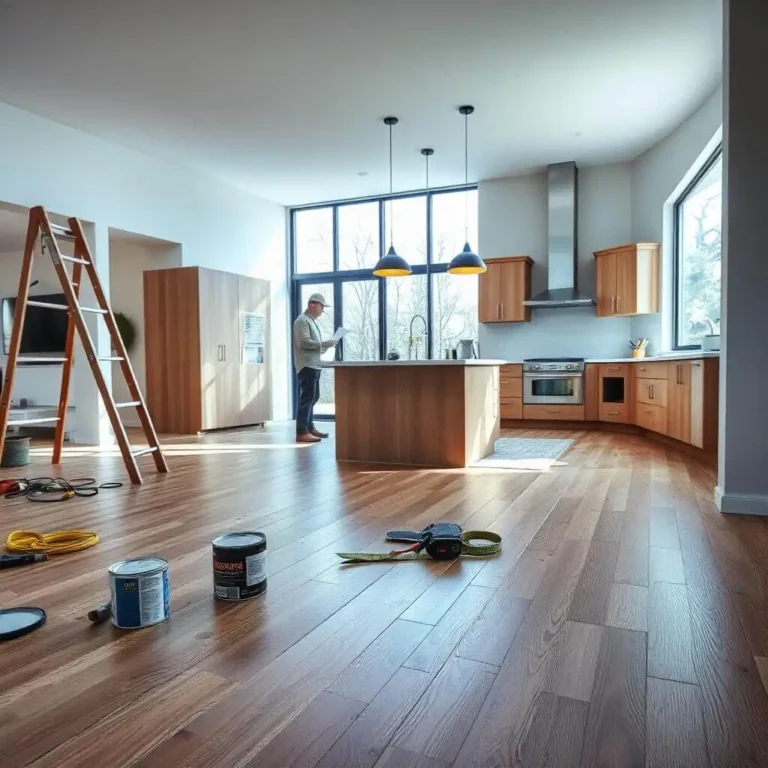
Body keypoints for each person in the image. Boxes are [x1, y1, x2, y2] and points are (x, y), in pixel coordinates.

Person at [293, 294, 338, 443]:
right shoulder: (302, 321)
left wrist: (325, 346)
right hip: (306, 365)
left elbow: (314, 346)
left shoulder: (311, 322)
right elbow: (304, 343)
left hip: (314, 365)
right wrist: (324, 344)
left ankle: (309, 427)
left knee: (313, 397)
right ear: (312, 304)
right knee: (307, 398)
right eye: (322, 307)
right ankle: (301, 431)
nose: (323, 310)